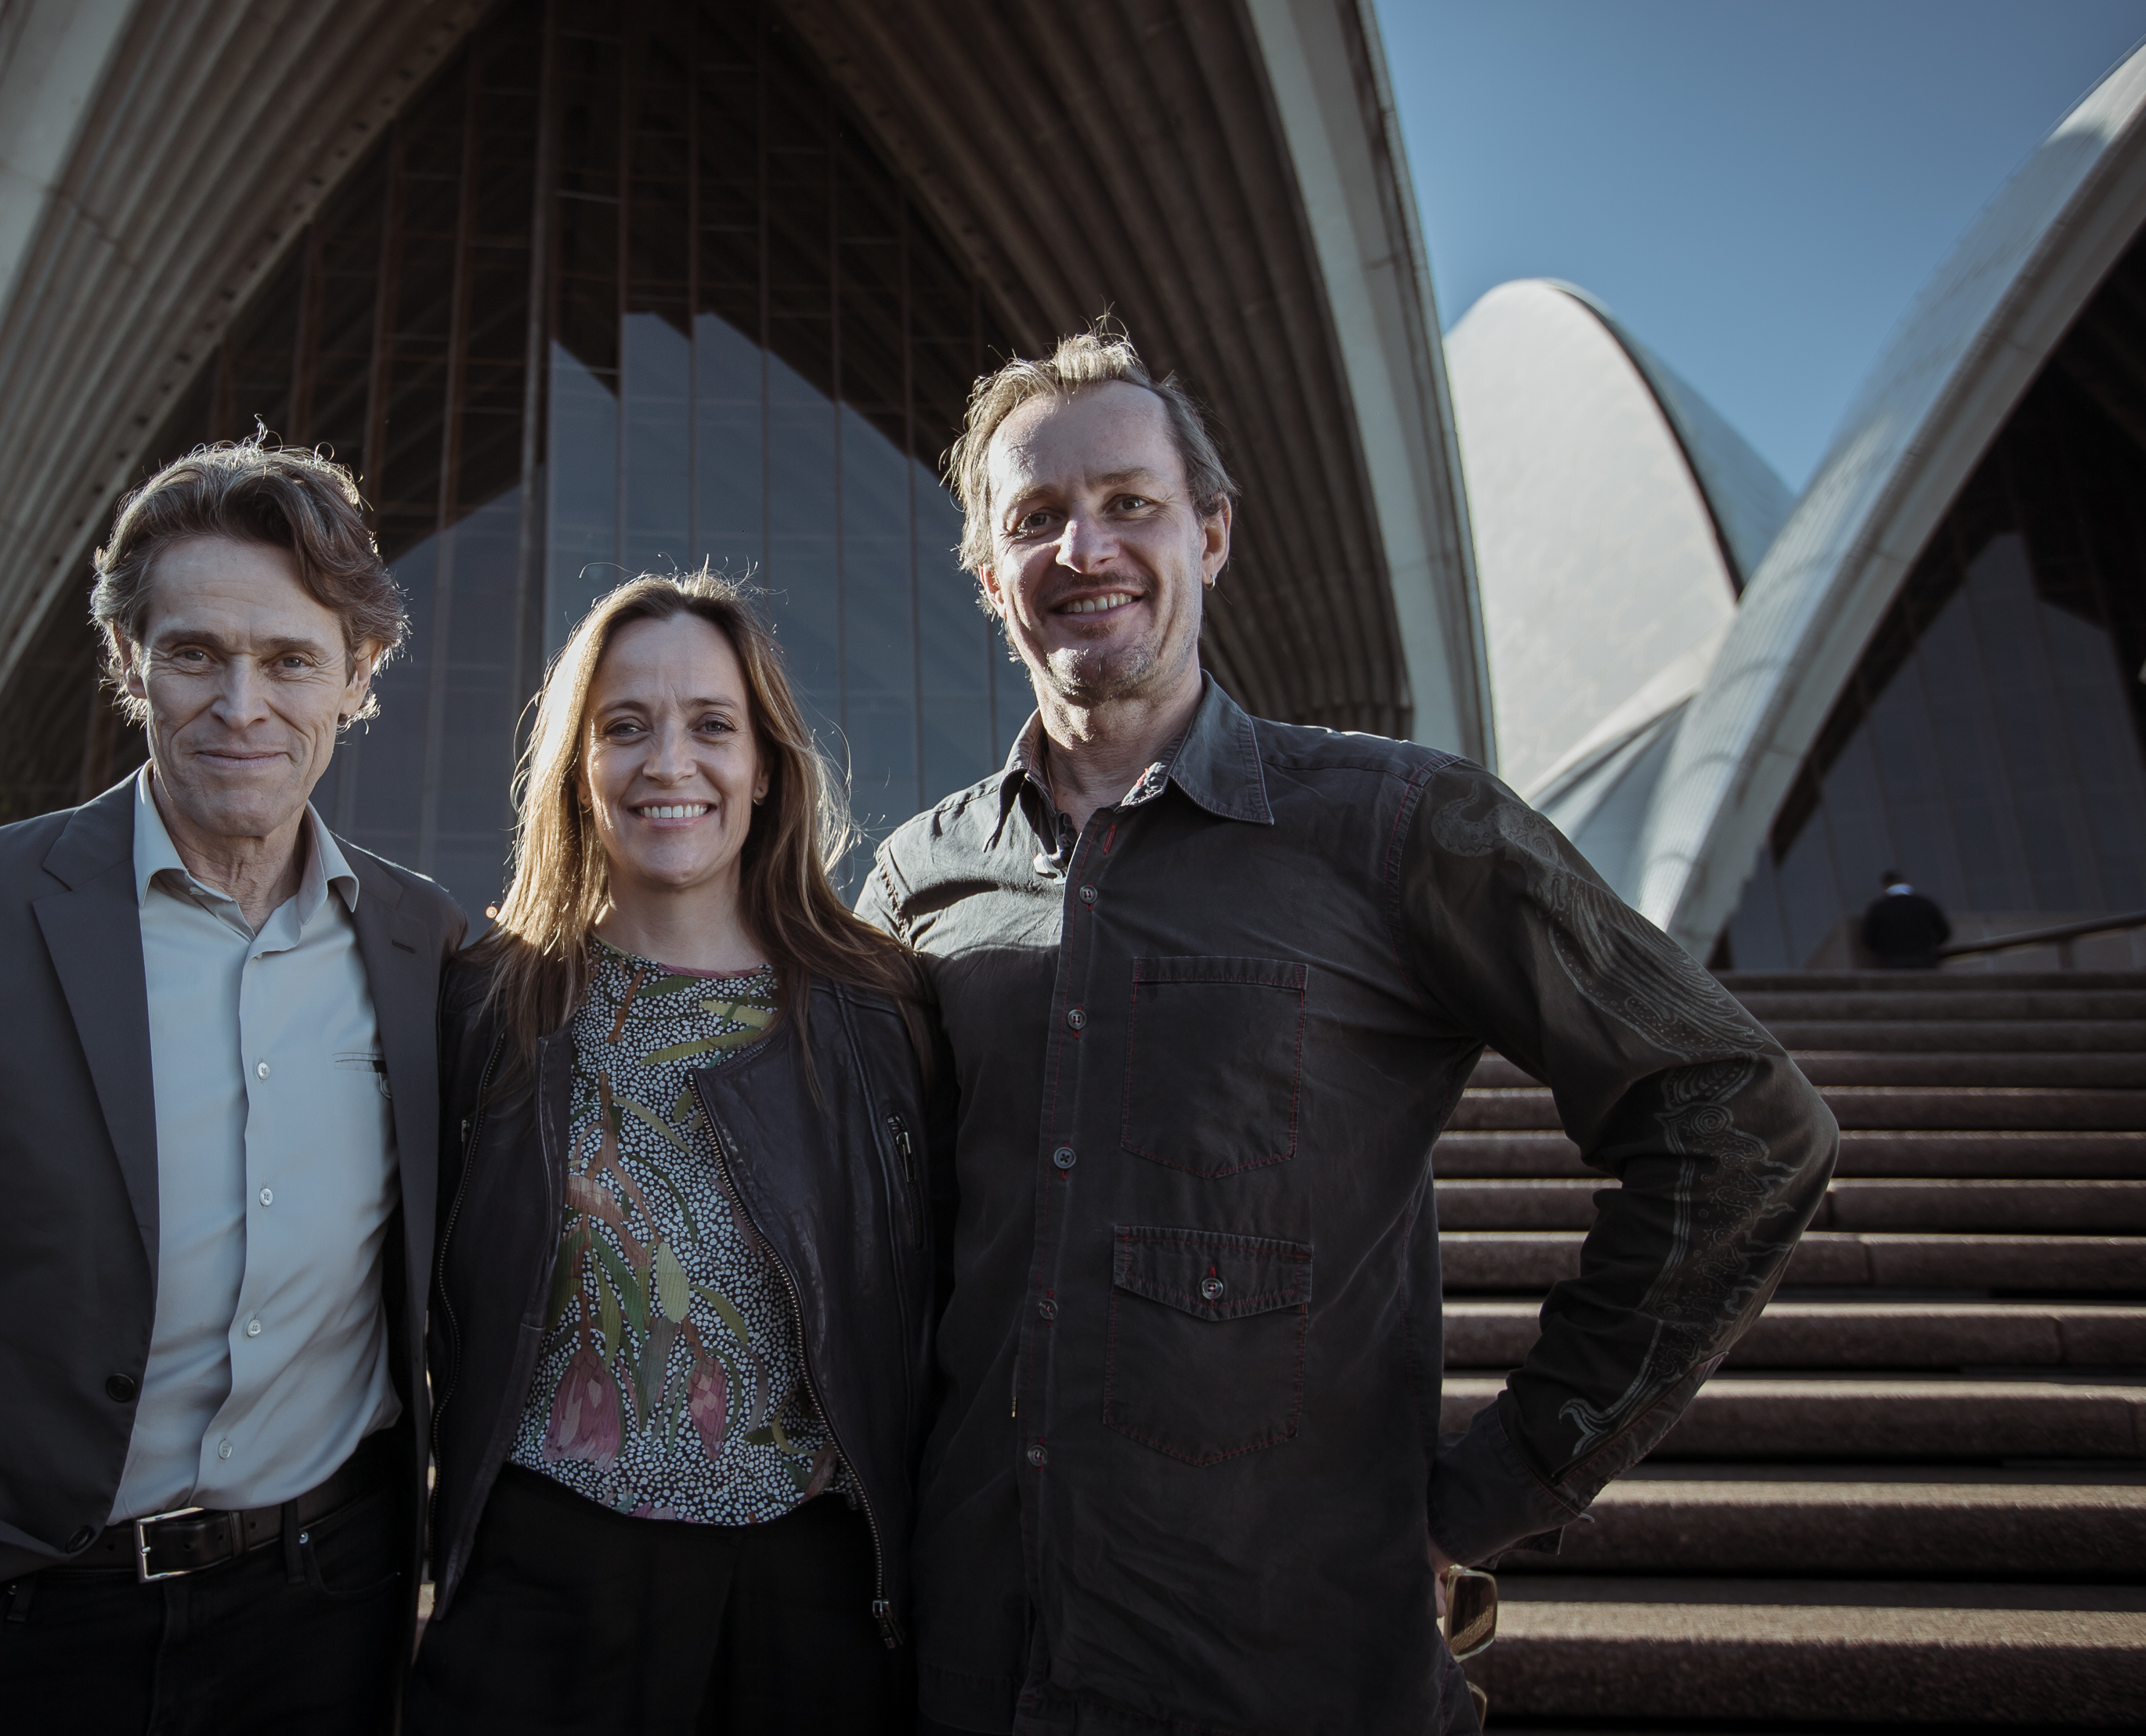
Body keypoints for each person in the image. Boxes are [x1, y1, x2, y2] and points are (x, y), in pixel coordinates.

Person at [854, 324, 1841, 1734]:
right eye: (1035, 517)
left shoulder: (1397, 826)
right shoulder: (918, 878)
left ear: (1210, 534)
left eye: (1129, 502)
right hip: (971, 1660)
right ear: (986, 572)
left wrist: (1501, 1483)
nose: (1083, 547)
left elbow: (1739, 1121)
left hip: (1284, 1658)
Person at [0, 442, 465, 1734]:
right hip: (14, 1625)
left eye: (290, 660)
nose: (241, 703)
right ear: (130, 660)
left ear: (358, 674)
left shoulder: (424, 944)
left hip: (321, 1622)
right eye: (195, 653)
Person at [410, 571, 946, 1735]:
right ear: (577, 766)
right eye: (624, 727)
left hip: (810, 1597)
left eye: (711, 724)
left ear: (765, 765)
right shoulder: (485, 1005)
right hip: (544, 1587)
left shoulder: (878, 1013)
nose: (669, 763)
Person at [1862, 869, 1952, 968]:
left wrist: (1885, 951)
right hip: (1924, 960)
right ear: (1905, 882)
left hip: (1892, 962)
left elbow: (1868, 938)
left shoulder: (1879, 908)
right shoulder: (1925, 904)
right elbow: (1944, 931)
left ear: (1885, 885)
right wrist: (1929, 947)